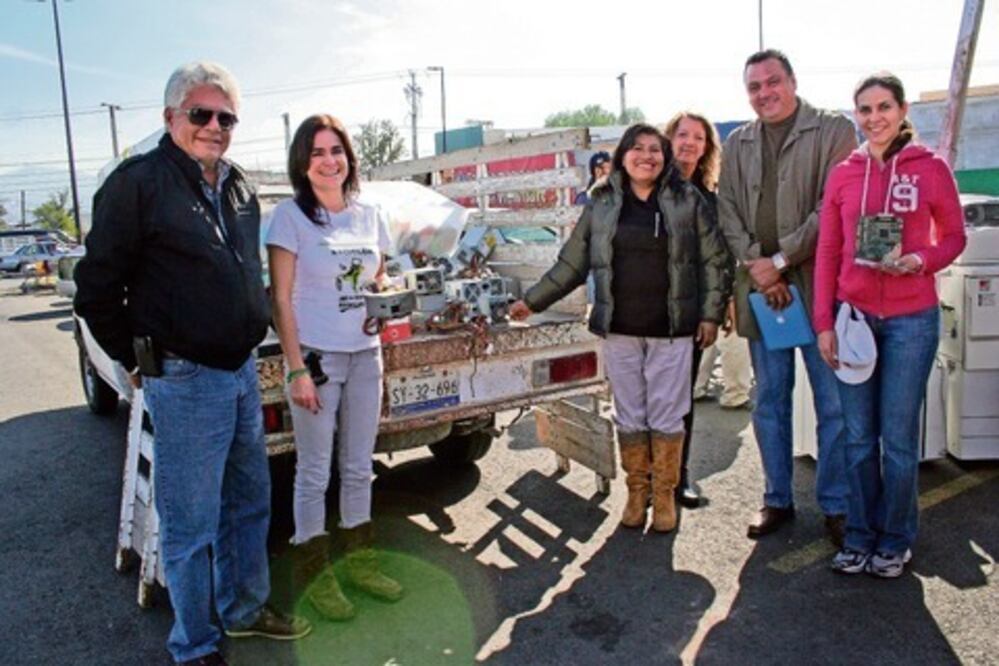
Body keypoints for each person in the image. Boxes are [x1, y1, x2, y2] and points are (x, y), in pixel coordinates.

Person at [74, 61, 309, 665]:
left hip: (238, 374)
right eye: (200, 113)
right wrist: (135, 357)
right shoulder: (138, 185)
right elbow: (97, 290)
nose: (214, 126)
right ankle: (195, 644)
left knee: (249, 503)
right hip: (184, 379)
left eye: (225, 117)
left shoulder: (238, 186)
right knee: (190, 525)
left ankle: (244, 610)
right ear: (170, 118)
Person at [511, 123, 730, 532]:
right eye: (638, 148)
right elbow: (571, 263)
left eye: (655, 150)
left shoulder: (688, 200)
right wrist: (532, 300)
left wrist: (710, 315)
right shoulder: (601, 203)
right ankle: (636, 493)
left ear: (664, 158)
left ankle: (664, 497)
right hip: (620, 329)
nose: (646, 156)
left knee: (667, 415)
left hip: (672, 329)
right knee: (630, 414)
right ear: (622, 155)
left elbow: (715, 261)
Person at [815, 73, 966, 577]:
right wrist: (824, 323)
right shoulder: (843, 173)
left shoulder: (931, 168)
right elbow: (829, 252)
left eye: (884, 107)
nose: (874, 118)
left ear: (902, 110)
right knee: (858, 438)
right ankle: (859, 534)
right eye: (864, 109)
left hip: (910, 321)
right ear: (855, 115)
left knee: (898, 442)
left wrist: (920, 260)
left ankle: (896, 538)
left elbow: (954, 237)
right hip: (854, 319)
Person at [717, 49, 857, 545]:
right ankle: (777, 499)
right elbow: (727, 209)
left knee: (832, 404)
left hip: (817, 286)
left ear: (793, 81)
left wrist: (779, 262)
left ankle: (837, 506)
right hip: (762, 291)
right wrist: (759, 266)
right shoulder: (738, 141)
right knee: (771, 400)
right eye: (754, 86)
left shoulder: (833, 130)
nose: (764, 93)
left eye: (773, 82)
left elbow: (832, 208)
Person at [266, 114, 403, 621]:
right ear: (303, 164)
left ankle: (360, 565)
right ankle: (316, 578)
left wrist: (388, 295)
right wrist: (296, 369)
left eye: (337, 150)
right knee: (313, 471)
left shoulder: (370, 215)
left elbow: (379, 276)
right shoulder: (289, 218)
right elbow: (281, 300)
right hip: (318, 360)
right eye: (318, 152)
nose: (329, 161)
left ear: (349, 158)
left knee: (359, 465)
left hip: (367, 354)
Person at [664, 110, 749, 507]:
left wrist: (718, 308)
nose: (690, 143)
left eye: (699, 137)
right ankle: (646, 479)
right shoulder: (648, 188)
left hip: (690, 315)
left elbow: (720, 260)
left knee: (681, 401)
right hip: (645, 312)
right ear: (669, 139)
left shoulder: (711, 200)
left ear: (708, 148)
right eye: (683, 135)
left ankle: (677, 477)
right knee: (646, 400)